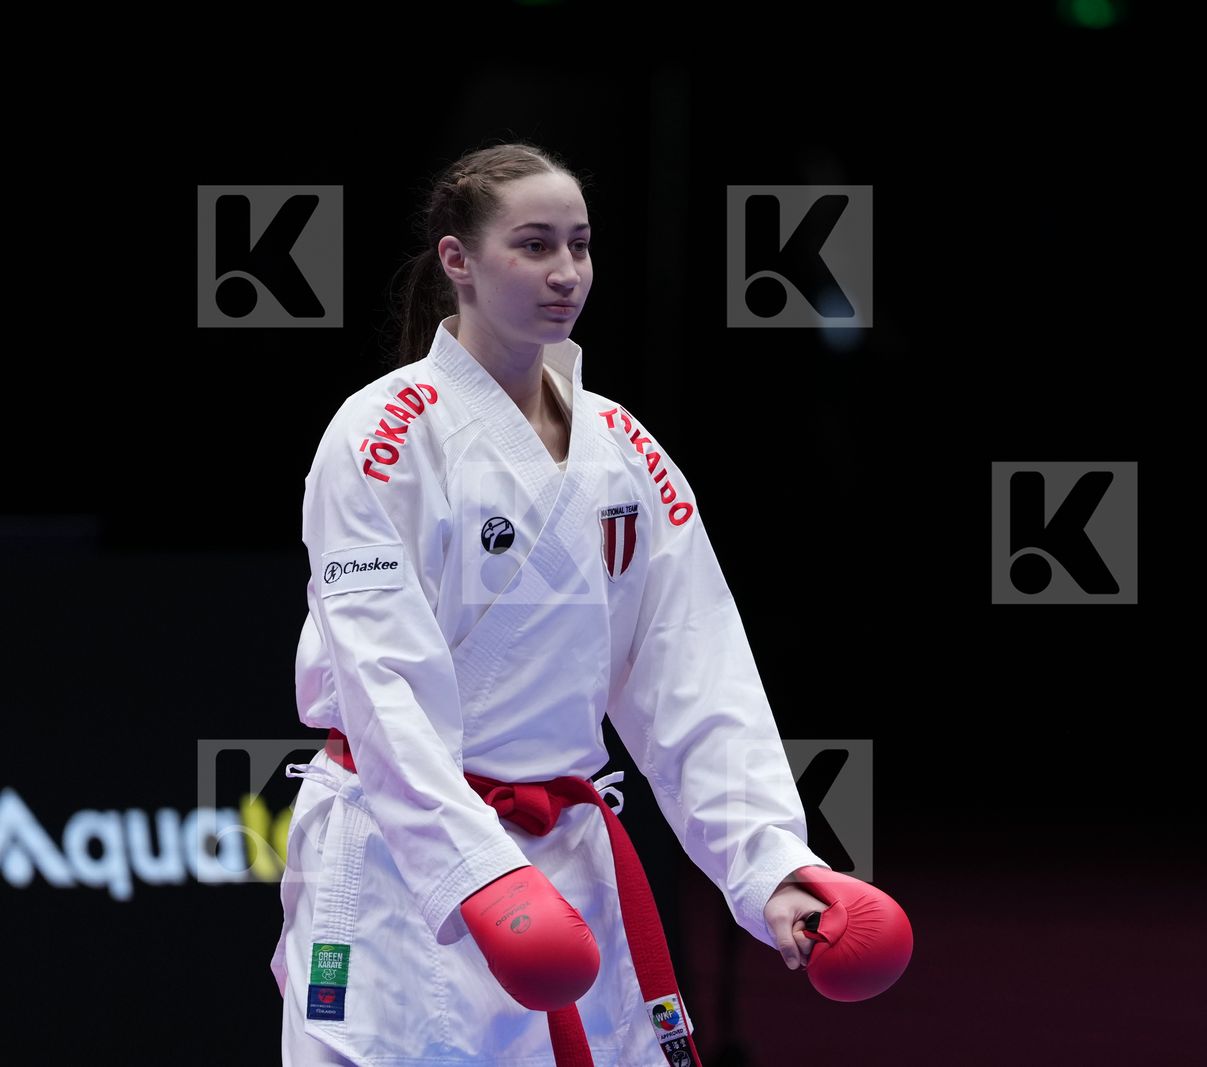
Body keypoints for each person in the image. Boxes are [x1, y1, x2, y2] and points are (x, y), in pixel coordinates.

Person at [267, 142, 911, 1065]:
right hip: (405, 869)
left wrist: (770, 863)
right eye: (533, 245)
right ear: (459, 262)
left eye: (580, 244)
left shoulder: (623, 450)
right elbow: (383, 688)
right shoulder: (379, 434)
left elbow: (694, 671)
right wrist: (475, 874)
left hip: (569, 859)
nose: (566, 272)